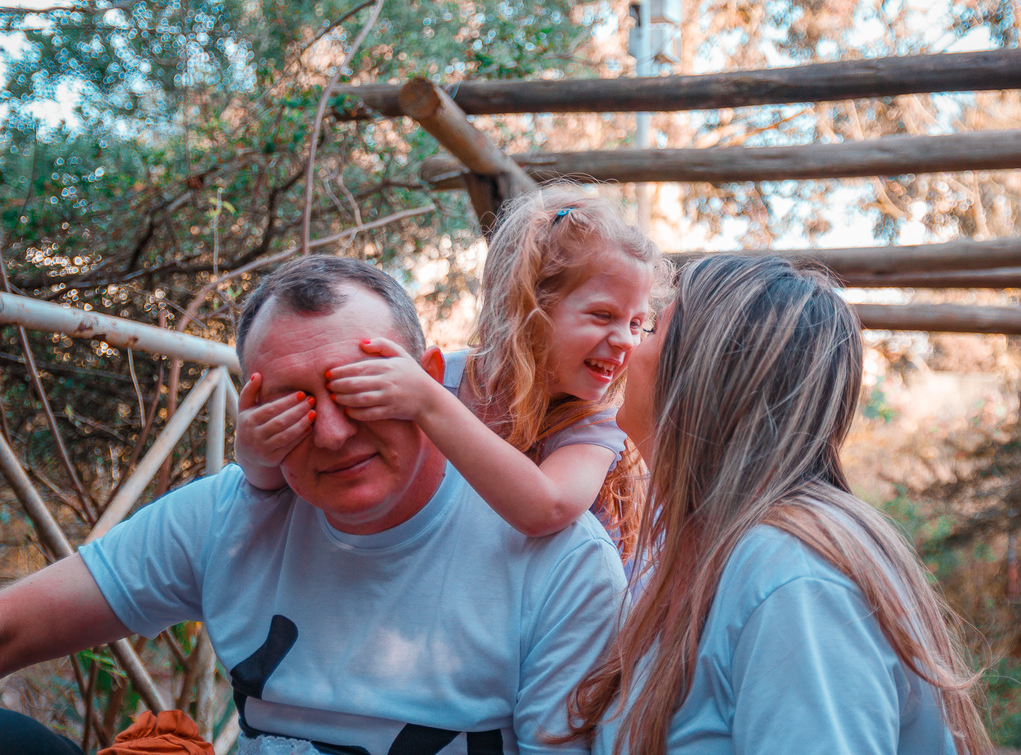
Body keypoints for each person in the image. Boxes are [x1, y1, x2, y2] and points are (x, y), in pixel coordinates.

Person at [0, 255, 626, 755]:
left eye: (358, 391)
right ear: (249, 414)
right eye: (289, 406)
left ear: (428, 381)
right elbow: (17, 625)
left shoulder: (562, 565)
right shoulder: (232, 512)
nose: (330, 433)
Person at [563, 254, 993, 755]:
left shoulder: (792, 580)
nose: (630, 345)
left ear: (704, 373)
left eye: (653, 328)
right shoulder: (699, 553)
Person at [236, 187, 666, 556]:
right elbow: (334, 451)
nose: (627, 340)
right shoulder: (453, 376)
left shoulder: (593, 423)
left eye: (635, 323)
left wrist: (429, 403)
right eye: (602, 315)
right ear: (530, 309)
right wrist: (256, 459)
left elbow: (547, 508)